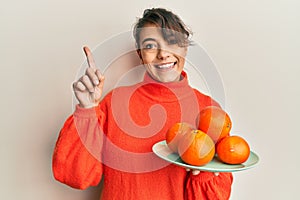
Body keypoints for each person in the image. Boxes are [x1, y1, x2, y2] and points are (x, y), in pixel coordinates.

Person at [52, 8, 233, 200]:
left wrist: (203, 174)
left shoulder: (208, 109)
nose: (163, 54)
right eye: (150, 46)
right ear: (140, 55)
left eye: (172, 41)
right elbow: (76, 176)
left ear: (185, 48)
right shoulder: (114, 103)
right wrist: (87, 110)